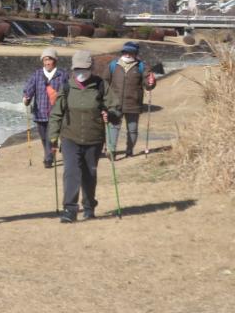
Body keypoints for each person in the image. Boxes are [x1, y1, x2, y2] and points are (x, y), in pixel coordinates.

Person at [48, 50, 118, 224]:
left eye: (84, 69)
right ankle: (70, 210)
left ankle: (89, 206)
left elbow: (115, 108)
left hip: (94, 138)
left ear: (91, 68)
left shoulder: (101, 85)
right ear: (73, 69)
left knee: (89, 174)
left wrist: (109, 113)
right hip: (70, 137)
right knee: (71, 172)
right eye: (77, 69)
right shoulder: (66, 86)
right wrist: (53, 137)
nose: (81, 72)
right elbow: (57, 113)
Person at [102, 40, 156, 158]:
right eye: (125, 52)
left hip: (133, 103)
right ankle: (111, 151)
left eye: (130, 53)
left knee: (132, 130)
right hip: (114, 103)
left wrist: (151, 82)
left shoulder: (142, 66)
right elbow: (105, 81)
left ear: (135, 54)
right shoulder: (113, 65)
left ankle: (129, 150)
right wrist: (106, 97)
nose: (127, 54)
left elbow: (148, 85)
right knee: (113, 128)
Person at [22, 46, 69, 168]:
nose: (47, 62)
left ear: (55, 60)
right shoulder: (37, 74)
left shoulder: (63, 75)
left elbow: (69, 91)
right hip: (40, 112)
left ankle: (48, 158)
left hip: (57, 113)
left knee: (51, 136)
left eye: (50, 59)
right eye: (45, 60)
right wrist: (27, 98)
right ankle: (50, 153)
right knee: (44, 138)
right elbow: (29, 89)